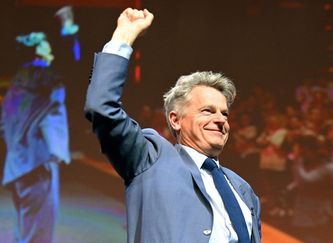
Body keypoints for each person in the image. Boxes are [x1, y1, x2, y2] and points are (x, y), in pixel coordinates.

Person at [84, 8, 261, 243]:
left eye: (224, 113)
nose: (220, 120)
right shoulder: (151, 158)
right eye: (207, 111)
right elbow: (102, 108)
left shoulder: (243, 189)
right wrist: (123, 37)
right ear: (175, 120)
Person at [1, 31, 71, 242]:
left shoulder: (15, 86)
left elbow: (4, 125)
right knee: (38, 231)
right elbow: (53, 111)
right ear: (39, 53)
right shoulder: (44, 81)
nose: (52, 53)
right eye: (48, 48)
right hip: (39, 164)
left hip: (17, 165)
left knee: (26, 227)